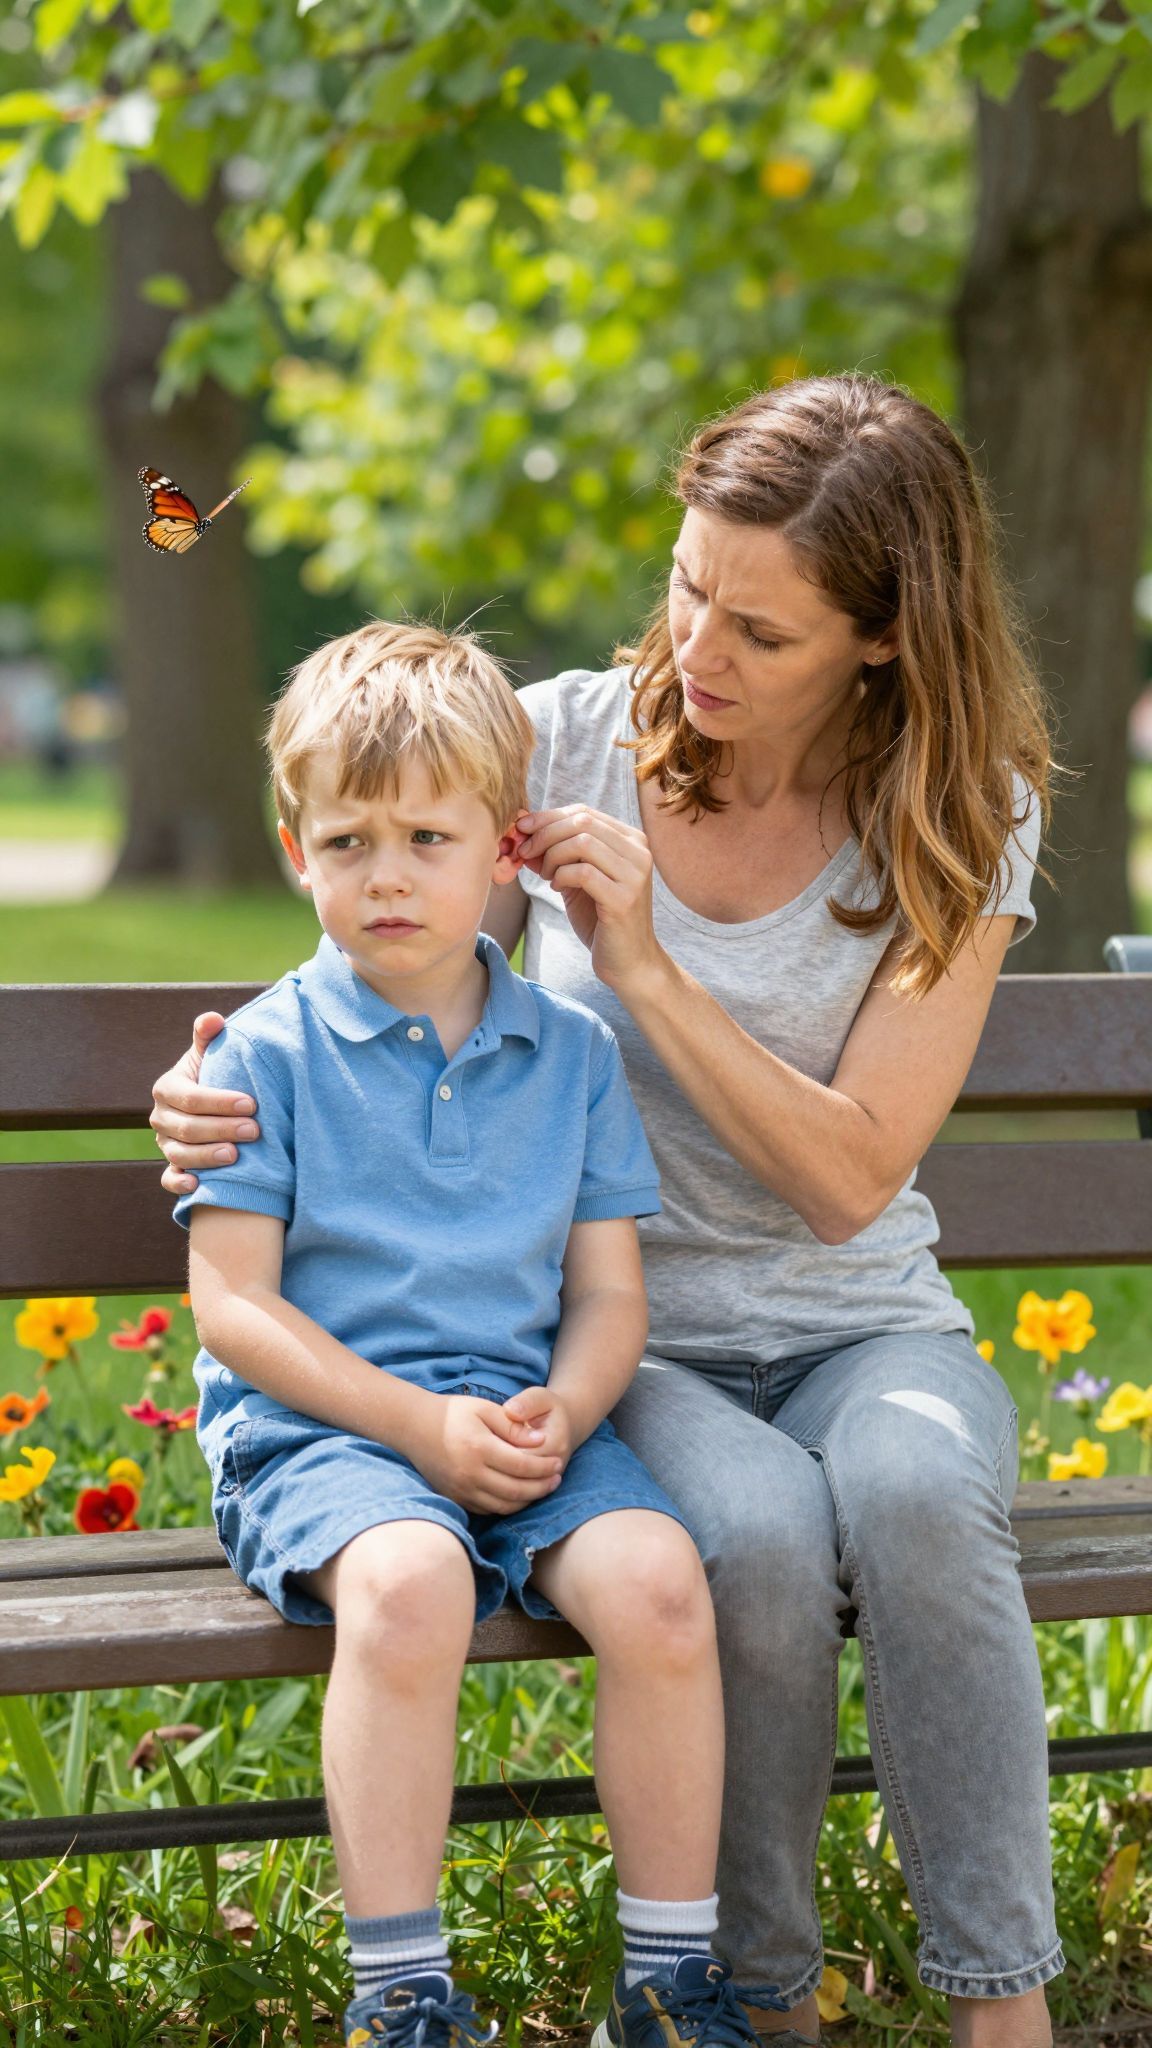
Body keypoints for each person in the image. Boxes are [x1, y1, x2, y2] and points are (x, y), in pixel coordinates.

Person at [154, 375, 1061, 2048]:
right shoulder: (564, 737)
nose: (698, 649)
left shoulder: (961, 804)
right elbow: (376, 897)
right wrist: (208, 1093)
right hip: (629, 1349)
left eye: (761, 630)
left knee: (923, 1491)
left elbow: (854, 1173)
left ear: (882, 639)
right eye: (687, 585)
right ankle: (755, 2000)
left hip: (858, 1322)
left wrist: (641, 962)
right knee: (759, 1540)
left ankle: (1007, 2016)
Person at [171, 621, 778, 2048]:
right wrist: (411, 1425)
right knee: (409, 1586)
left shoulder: (569, 1055)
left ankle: (670, 1983)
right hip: (325, 1436)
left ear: (505, 849)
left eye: (428, 837)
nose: (385, 874)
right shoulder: (259, 1054)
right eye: (347, 839)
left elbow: (609, 1297)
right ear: (292, 849)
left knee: (659, 1582)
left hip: (518, 1419)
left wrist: (565, 1410)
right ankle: (402, 1997)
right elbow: (233, 1307)